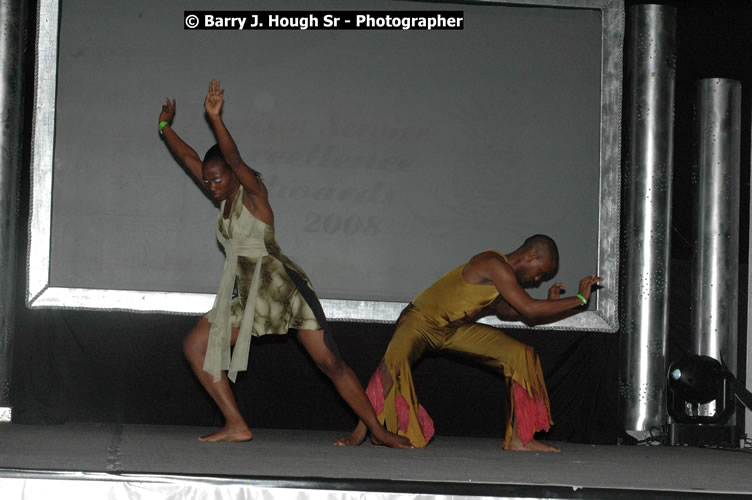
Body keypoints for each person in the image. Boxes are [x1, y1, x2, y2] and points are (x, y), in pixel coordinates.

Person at [157, 80, 411, 447]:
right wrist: (165, 127)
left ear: (231, 175)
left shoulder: (255, 196)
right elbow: (188, 158)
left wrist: (215, 120)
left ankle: (378, 430)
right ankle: (236, 424)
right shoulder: (221, 197)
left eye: (217, 178)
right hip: (247, 296)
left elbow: (236, 159)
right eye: (208, 180)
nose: (211, 184)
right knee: (196, 345)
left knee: (330, 364)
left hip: (282, 289)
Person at [334, 236, 603, 451]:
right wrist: (579, 299)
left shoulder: (502, 281)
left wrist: (554, 304)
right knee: (391, 367)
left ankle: (520, 439)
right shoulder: (492, 263)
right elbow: (529, 310)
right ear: (532, 255)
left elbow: (513, 313)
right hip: (420, 321)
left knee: (520, 354)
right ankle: (361, 431)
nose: (536, 279)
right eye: (539, 273)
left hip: (453, 330)